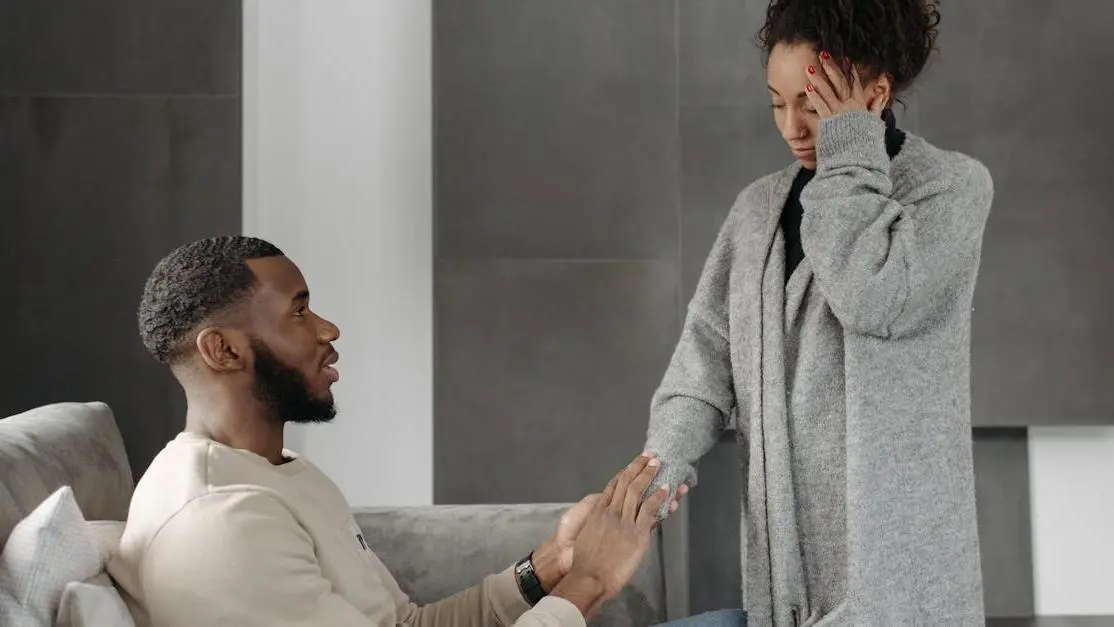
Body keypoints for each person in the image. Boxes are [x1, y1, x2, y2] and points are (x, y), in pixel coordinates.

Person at [115, 236, 685, 627]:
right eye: (298, 312)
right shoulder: (219, 521)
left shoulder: (278, 473)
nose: (328, 329)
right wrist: (590, 581)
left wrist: (552, 564)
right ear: (223, 349)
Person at [643, 0, 993, 625]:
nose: (792, 126)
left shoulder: (950, 189)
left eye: (813, 102)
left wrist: (849, 151)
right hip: (783, 571)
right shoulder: (757, 210)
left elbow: (874, 298)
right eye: (777, 102)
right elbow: (706, 352)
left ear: (876, 92)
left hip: (895, 570)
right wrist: (665, 457)